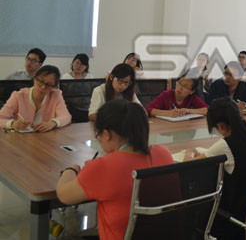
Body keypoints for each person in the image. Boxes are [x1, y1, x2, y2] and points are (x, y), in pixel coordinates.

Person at [56, 100, 174, 240]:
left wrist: (71, 169)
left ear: (106, 134)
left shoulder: (102, 167)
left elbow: (64, 195)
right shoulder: (163, 153)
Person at [184, 97, 246, 239]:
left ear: (221, 126)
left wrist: (190, 152)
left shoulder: (226, 144)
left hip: (235, 218)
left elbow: (189, 166)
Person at [0, 65, 71, 131]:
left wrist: (53, 123)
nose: (43, 87)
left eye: (48, 84)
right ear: (34, 79)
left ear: (54, 86)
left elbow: (66, 116)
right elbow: (1, 118)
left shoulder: (56, 95)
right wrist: (12, 124)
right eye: (40, 81)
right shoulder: (18, 96)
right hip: (21, 138)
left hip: (45, 137)